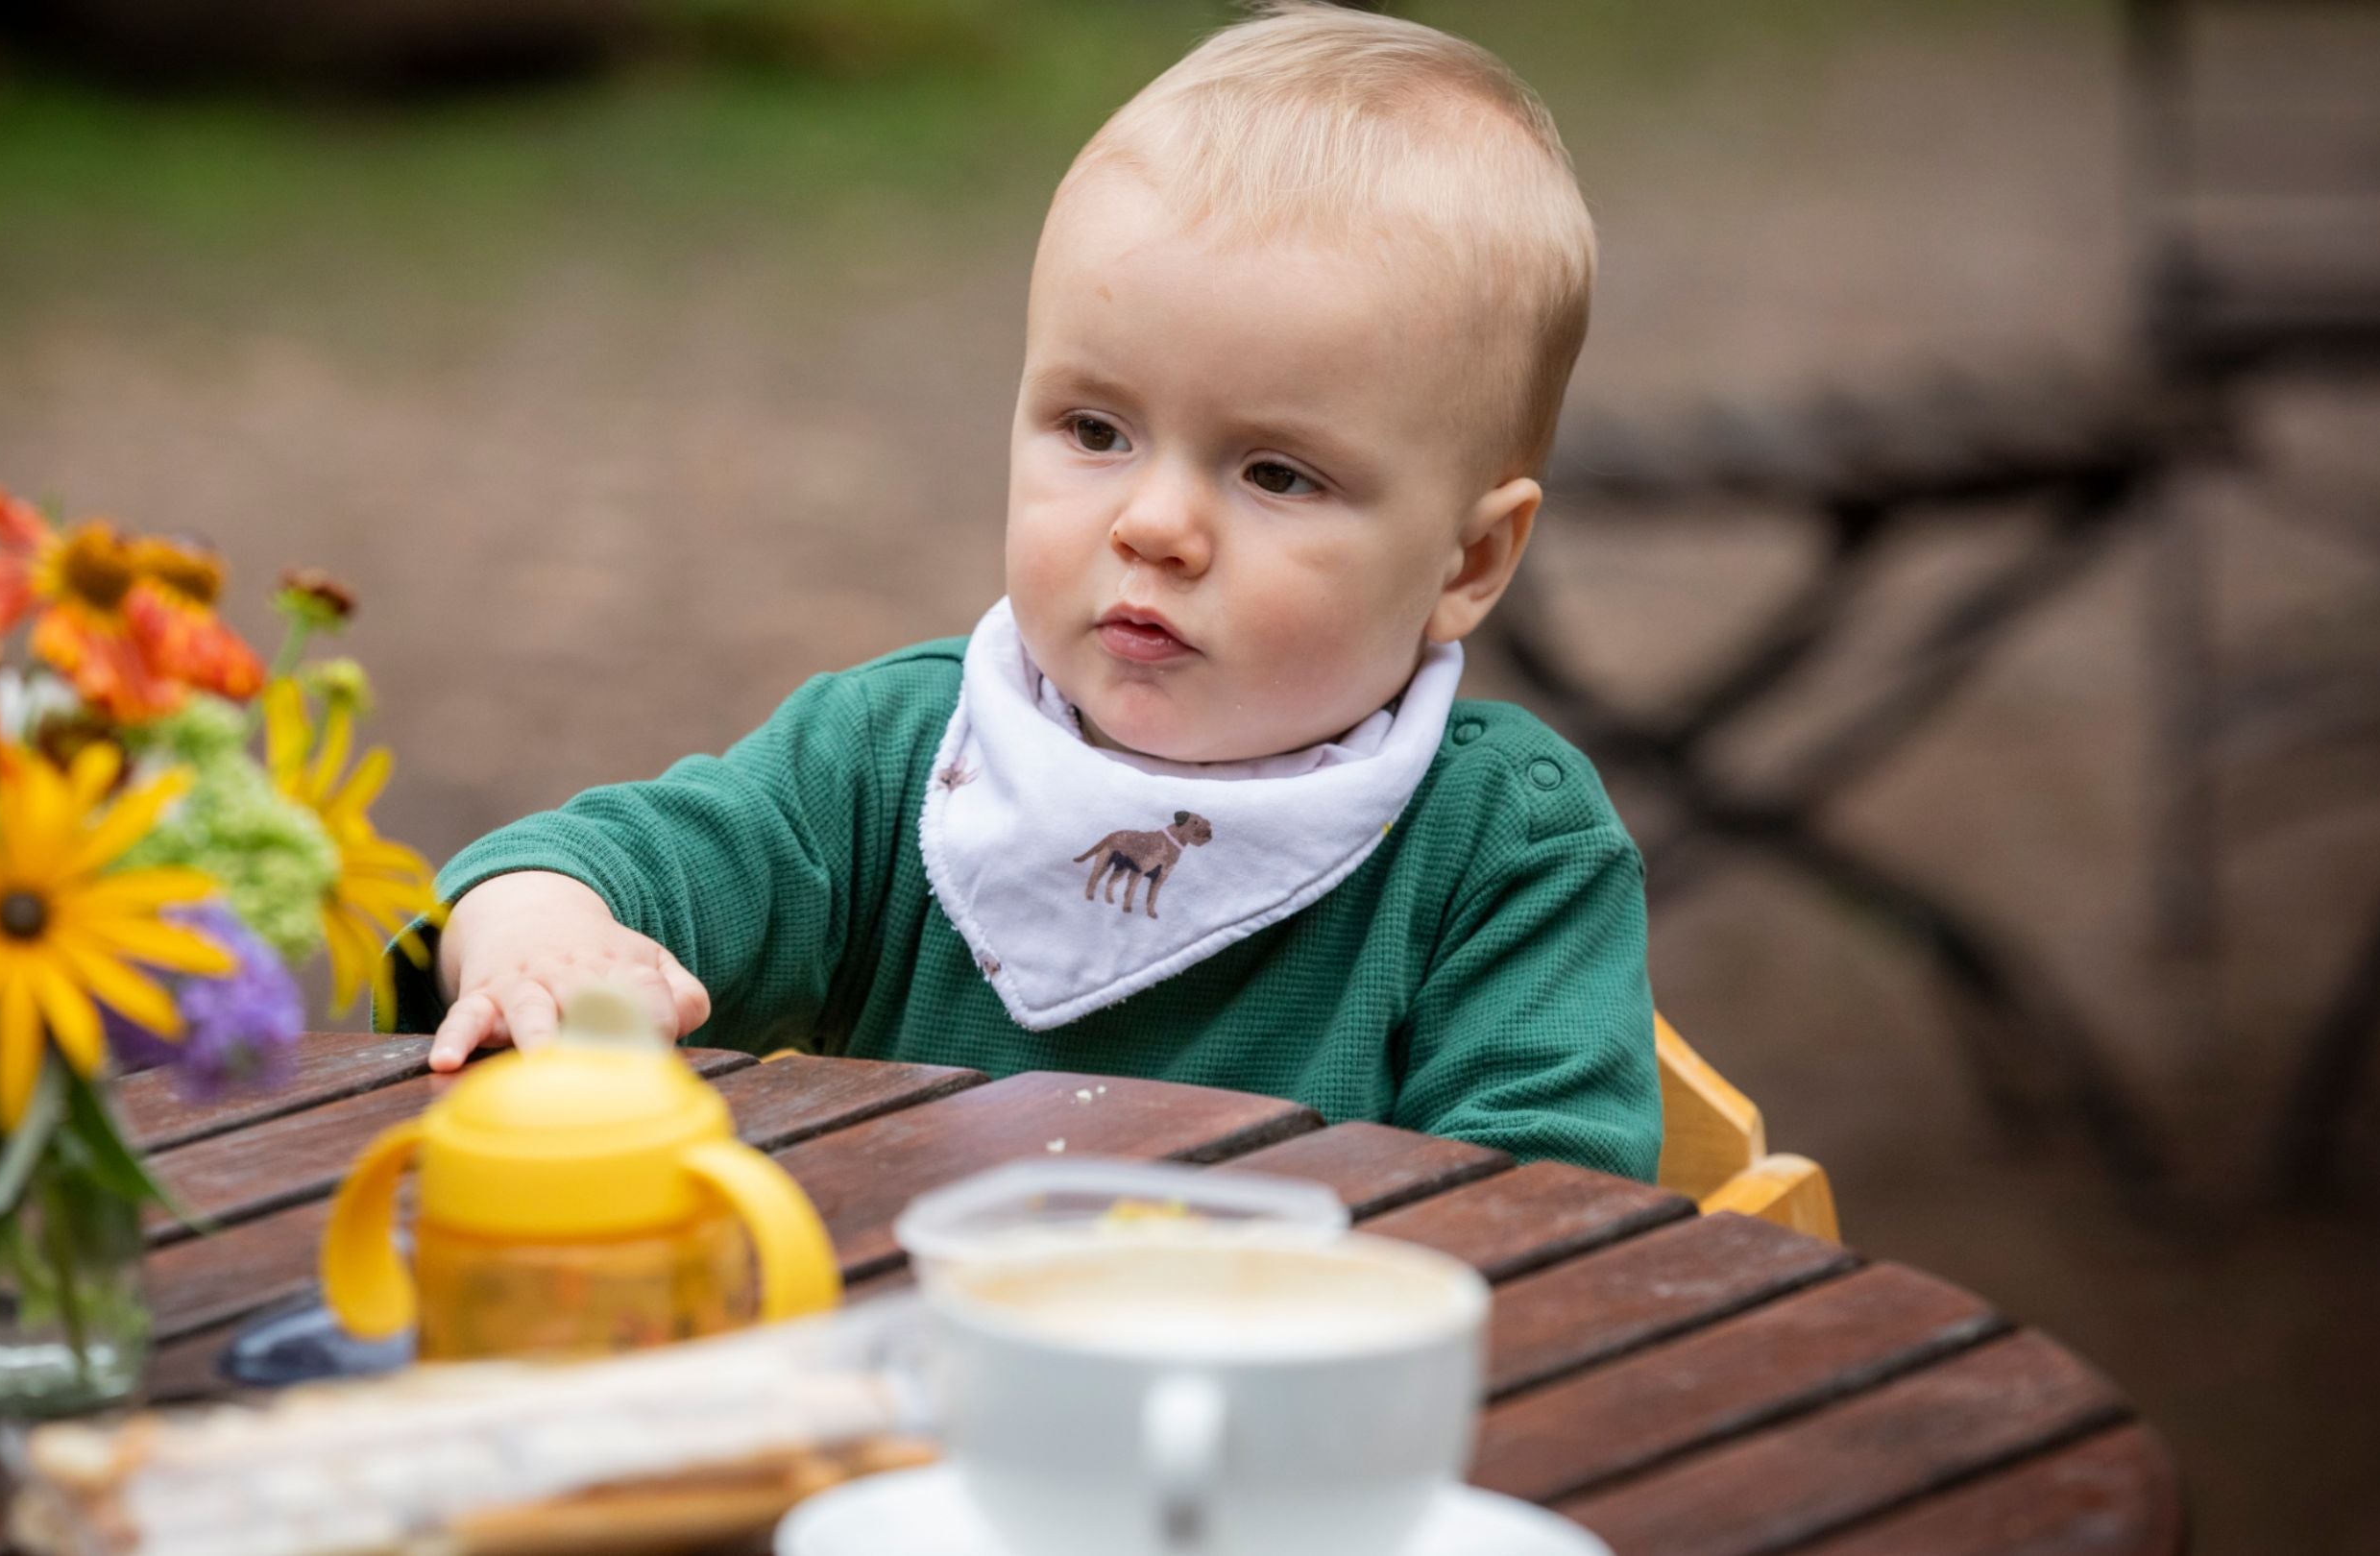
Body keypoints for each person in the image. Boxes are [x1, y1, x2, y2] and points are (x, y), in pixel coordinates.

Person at [391, 1, 1659, 1177]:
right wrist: (541, 935)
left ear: (1470, 561)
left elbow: (1553, 1219)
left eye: (1275, 472)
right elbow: (565, 865)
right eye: (1096, 430)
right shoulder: (891, 765)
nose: (1155, 524)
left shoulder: (1502, 849)